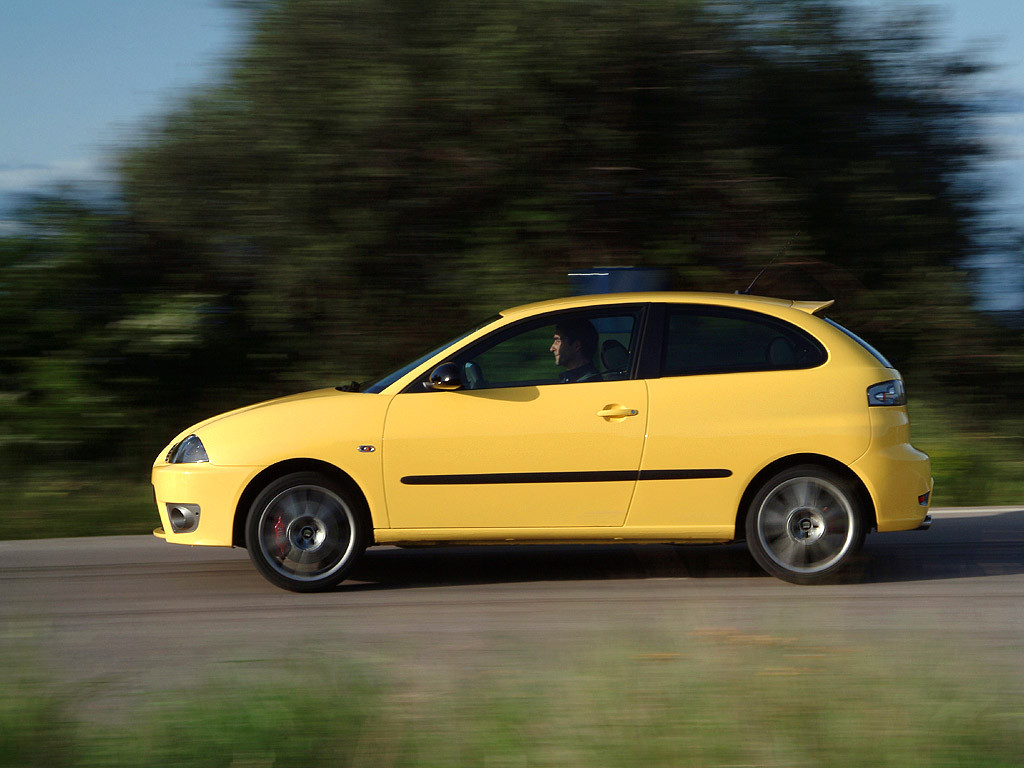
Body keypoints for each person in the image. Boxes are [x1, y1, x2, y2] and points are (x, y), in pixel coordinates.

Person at [550, 318, 602, 383]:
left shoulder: (588, 383)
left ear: (576, 346)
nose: (552, 348)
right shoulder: (572, 379)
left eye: (558, 341)